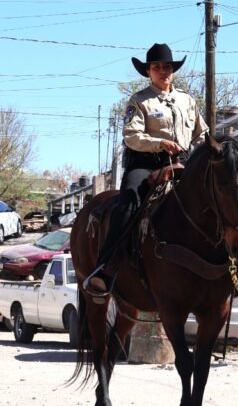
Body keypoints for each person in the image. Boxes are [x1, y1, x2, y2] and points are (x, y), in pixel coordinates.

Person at [83, 43, 207, 297]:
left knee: (218, 198)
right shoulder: (139, 101)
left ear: (173, 70)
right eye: (157, 67)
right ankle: (106, 269)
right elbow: (131, 136)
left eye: (167, 67)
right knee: (129, 204)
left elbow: (201, 134)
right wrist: (160, 143)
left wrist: (206, 151)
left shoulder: (187, 100)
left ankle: (237, 269)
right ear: (148, 72)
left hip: (182, 163)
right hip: (145, 164)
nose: (163, 71)